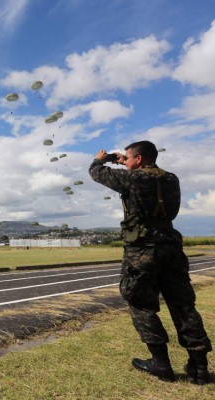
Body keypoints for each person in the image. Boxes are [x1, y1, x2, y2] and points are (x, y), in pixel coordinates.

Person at [89, 140, 211, 384]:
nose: (125, 161)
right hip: (171, 248)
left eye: (128, 157)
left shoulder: (133, 180)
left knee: (141, 303)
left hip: (143, 250)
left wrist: (100, 159)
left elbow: (97, 173)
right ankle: (199, 368)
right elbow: (147, 180)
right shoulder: (171, 178)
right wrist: (127, 163)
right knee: (183, 305)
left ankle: (160, 363)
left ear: (139, 159)